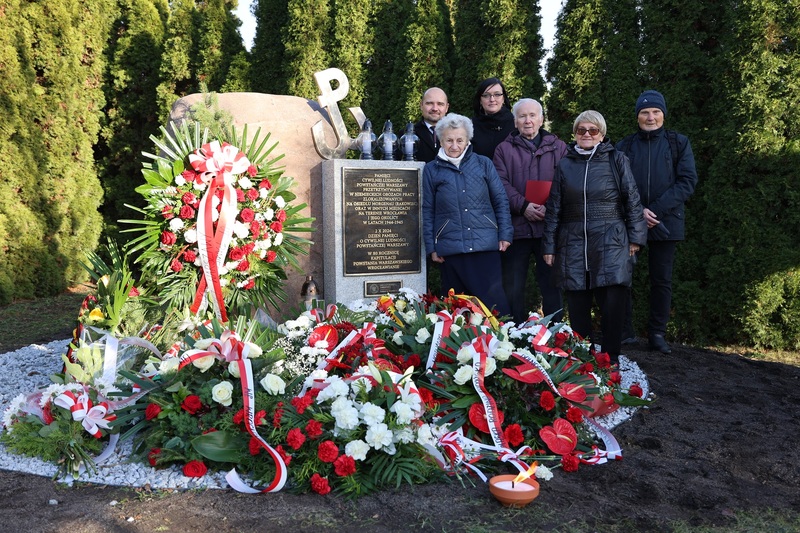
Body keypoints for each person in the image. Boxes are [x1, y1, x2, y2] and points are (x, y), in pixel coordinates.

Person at [542, 110, 647, 361]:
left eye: (593, 130)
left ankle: (611, 361)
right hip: (573, 241)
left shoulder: (617, 159)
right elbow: (554, 206)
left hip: (611, 239)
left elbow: (632, 199)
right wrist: (549, 245)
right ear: (575, 134)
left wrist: (636, 237)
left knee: (612, 306)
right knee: (578, 308)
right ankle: (584, 361)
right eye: (581, 130)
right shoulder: (565, 164)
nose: (587, 134)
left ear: (602, 134)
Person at [616, 90, 698, 354]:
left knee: (661, 280)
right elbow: (613, 184)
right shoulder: (624, 146)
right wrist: (638, 210)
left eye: (655, 112)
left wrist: (656, 210)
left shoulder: (678, 143)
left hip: (666, 222)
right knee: (622, 277)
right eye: (644, 112)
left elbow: (687, 181)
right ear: (637, 116)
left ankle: (657, 334)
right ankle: (625, 332)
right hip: (630, 221)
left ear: (663, 114)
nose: (650, 117)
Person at [423, 113, 513, 317]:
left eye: (459, 140)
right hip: (451, 251)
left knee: (493, 309)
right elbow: (428, 209)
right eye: (449, 140)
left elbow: (500, 200)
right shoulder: (431, 170)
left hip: (486, 247)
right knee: (457, 313)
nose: (454, 145)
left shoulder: (483, 164)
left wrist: (505, 234)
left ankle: (501, 348)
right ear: (440, 140)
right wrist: (431, 247)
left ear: (467, 140)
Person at [493, 98, 567, 324]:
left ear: (541, 119)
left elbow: (566, 182)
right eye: (522, 116)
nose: (528, 121)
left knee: (553, 285)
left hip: (549, 229)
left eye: (533, 115)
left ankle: (556, 335)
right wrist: (523, 206)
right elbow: (500, 184)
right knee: (514, 286)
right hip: (517, 228)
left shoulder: (559, 147)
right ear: (515, 121)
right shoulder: (503, 149)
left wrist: (550, 207)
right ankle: (514, 334)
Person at [470, 78, 515, 159]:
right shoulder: (470, 126)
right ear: (480, 100)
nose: (492, 99)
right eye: (486, 95)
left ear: (503, 98)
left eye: (497, 94)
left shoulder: (515, 124)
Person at [414, 87, 449, 163]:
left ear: (446, 108)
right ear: (421, 105)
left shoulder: (458, 135)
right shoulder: (408, 135)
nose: (435, 108)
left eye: (440, 104)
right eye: (429, 103)